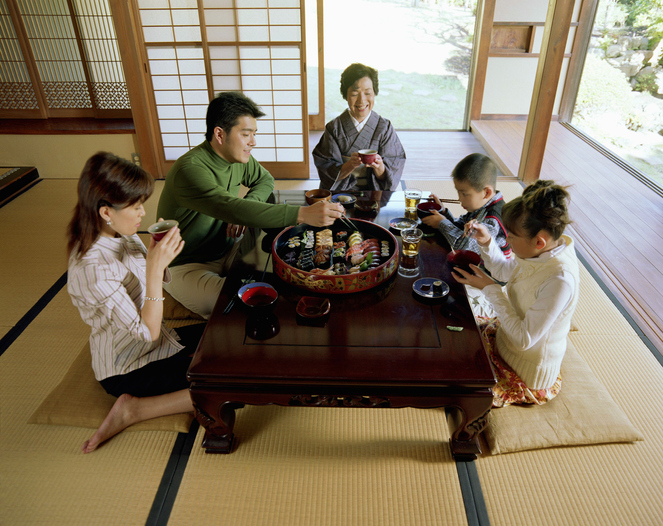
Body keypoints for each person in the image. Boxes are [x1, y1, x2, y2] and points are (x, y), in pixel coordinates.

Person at [157, 91, 344, 319]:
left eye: (253, 134)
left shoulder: (237, 156)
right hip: (188, 264)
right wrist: (302, 213)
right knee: (242, 303)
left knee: (284, 271)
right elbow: (229, 207)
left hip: (229, 246)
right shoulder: (190, 169)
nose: (253, 142)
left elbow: (264, 180)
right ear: (219, 134)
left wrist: (247, 204)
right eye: (246, 134)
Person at [67, 152, 203, 453]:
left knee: (223, 336)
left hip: (161, 341)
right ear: (105, 211)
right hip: (128, 366)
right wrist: (154, 269)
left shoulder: (119, 231)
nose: (142, 212)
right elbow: (147, 332)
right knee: (229, 384)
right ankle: (134, 410)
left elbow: (146, 280)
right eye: (136, 205)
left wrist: (158, 254)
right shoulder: (93, 270)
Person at [452, 180, 580, 407]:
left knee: (452, 383)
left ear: (539, 241)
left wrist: (490, 289)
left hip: (525, 370)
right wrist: (487, 242)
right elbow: (504, 270)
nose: (507, 239)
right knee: (452, 331)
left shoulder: (560, 279)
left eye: (511, 236)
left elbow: (524, 340)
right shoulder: (540, 253)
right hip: (504, 339)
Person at [312, 63, 406, 192]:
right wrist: (349, 165)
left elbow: (394, 167)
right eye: (355, 93)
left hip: (375, 193)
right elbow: (326, 169)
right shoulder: (334, 128)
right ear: (345, 95)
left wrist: (380, 168)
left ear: (374, 93)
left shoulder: (384, 127)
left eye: (368, 93)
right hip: (341, 194)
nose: (362, 100)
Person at [421, 153, 510, 256]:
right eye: (458, 192)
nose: (459, 199)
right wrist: (443, 213)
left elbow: (463, 248)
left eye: (464, 194)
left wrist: (442, 223)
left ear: (486, 192)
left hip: (488, 271)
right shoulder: (482, 205)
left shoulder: (493, 220)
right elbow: (460, 229)